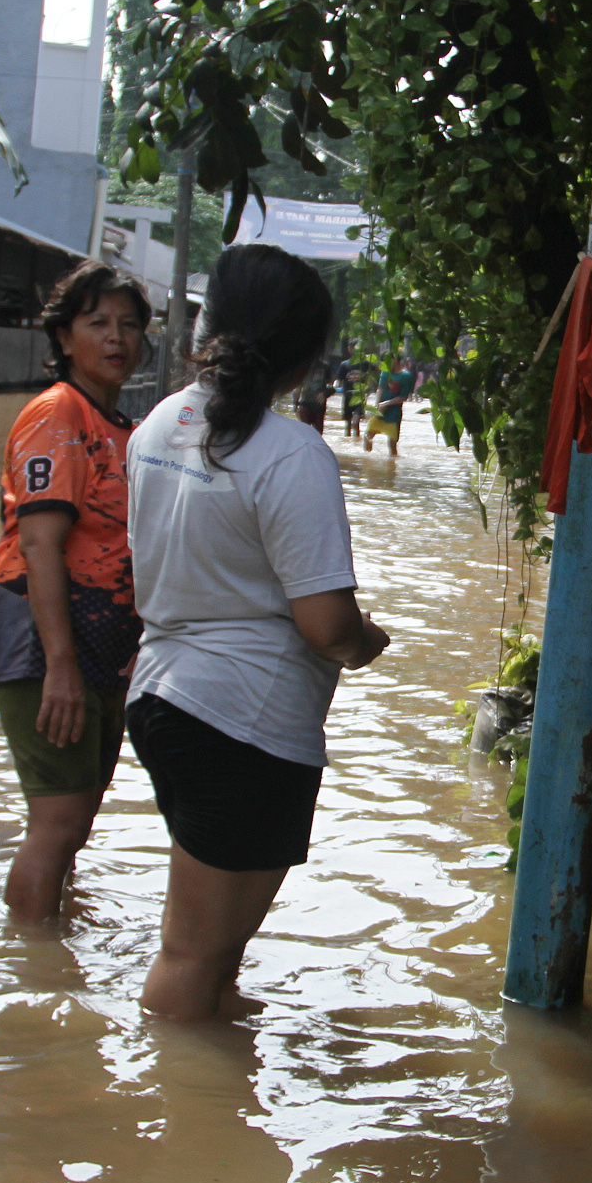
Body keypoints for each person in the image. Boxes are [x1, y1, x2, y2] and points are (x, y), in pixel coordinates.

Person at [126, 244, 392, 1021]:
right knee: (192, 954)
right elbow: (326, 624)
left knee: (213, 952)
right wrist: (365, 642)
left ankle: (218, 1081)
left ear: (207, 326)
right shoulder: (291, 455)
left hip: (164, 699)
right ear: (307, 356)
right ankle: (167, 1091)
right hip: (244, 722)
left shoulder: (158, 424)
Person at [0, 260, 151, 925]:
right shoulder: (59, 414)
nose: (116, 338)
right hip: (44, 635)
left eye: (129, 325)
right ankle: (33, 961)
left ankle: (56, 935)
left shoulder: (121, 428)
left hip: (102, 639)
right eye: (98, 323)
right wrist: (60, 665)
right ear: (63, 337)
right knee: (58, 822)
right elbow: (40, 544)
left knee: (73, 821)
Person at [363, 358, 413, 456]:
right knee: (367, 436)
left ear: (397, 360)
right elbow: (380, 389)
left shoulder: (406, 376)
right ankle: (367, 458)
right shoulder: (385, 372)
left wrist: (386, 404)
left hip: (394, 414)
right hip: (380, 411)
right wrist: (377, 404)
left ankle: (393, 462)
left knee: (392, 444)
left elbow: (403, 397)